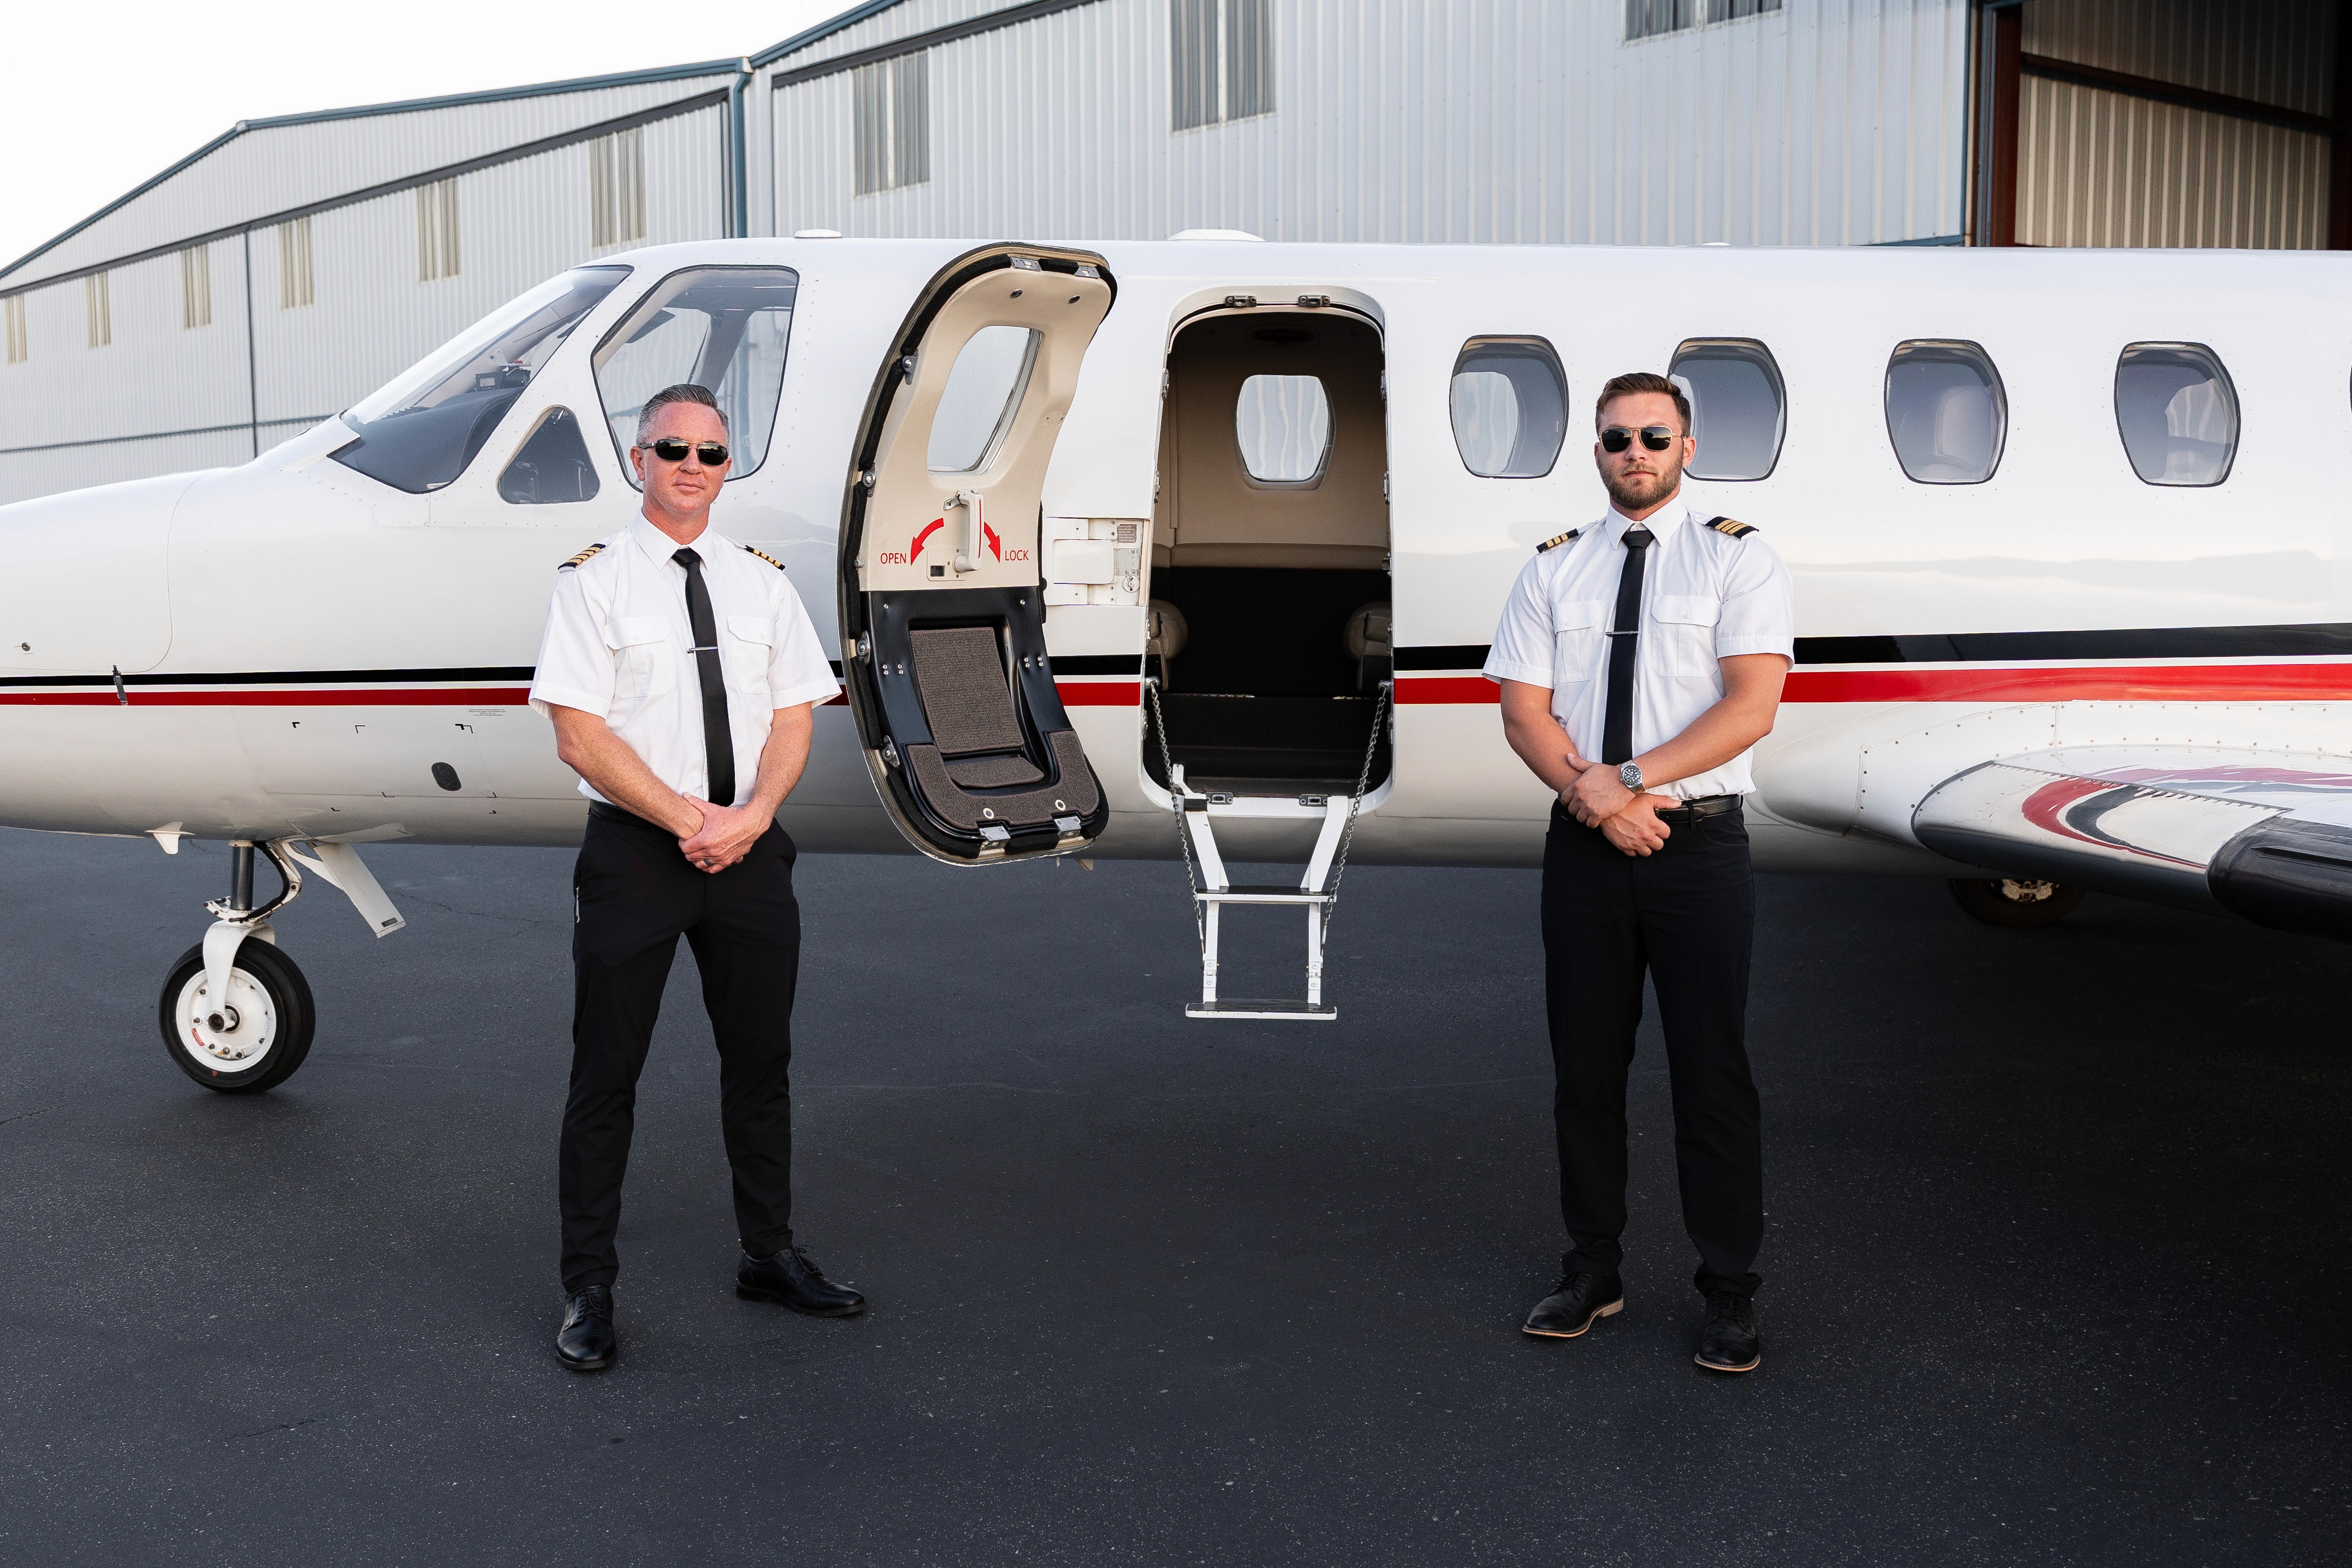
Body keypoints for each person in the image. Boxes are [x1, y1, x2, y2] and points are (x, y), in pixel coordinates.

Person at [528, 382, 860, 1373]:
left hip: (750, 852)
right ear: (639, 460)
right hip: (639, 857)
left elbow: (797, 711)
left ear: (727, 468)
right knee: (606, 1079)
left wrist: (750, 820)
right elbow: (579, 736)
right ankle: (589, 1289)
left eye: (710, 453)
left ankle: (769, 1255)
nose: (690, 465)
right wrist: (688, 822)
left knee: (761, 1068)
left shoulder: (760, 582)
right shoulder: (594, 582)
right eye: (671, 448)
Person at [1483, 371, 1794, 1374]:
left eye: (1654, 436)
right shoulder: (1555, 570)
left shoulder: (1738, 561)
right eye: (1617, 439)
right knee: (1586, 1074)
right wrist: (1599, 802)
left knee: (1712, 1077)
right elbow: (1524, 711)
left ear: (1687, 447)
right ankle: (1592, 1270)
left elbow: (1751, 707)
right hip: (1586, 851)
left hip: (1696, 848)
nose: (1636, 452)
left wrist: (1621, 783)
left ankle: (1730, 1293)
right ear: (1598, 454)